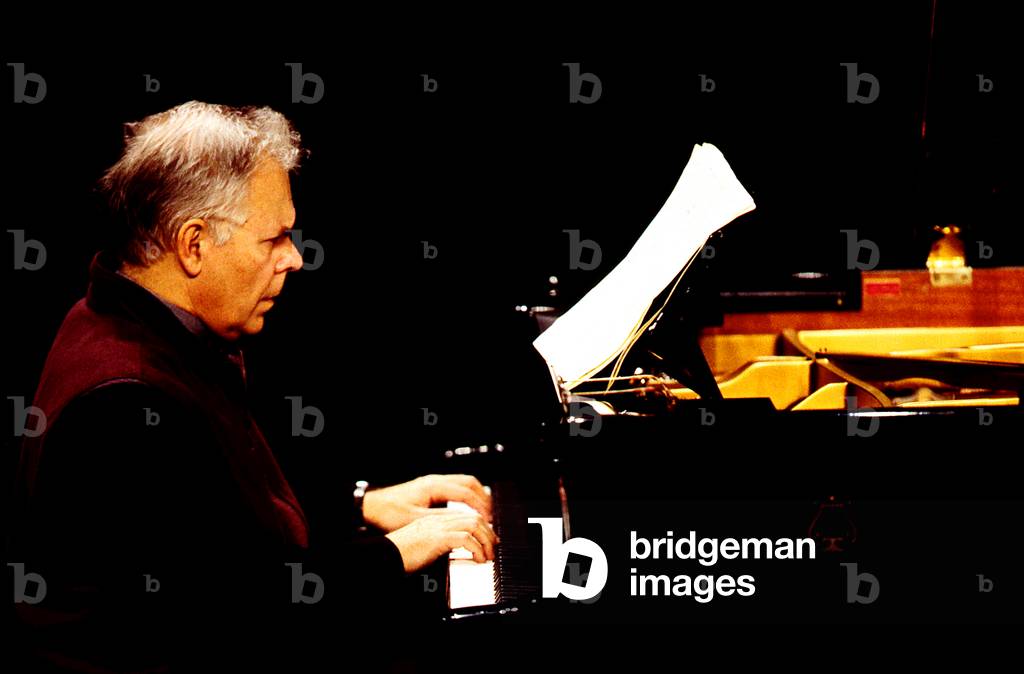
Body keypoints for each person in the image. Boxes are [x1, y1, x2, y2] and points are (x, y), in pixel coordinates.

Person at [8, 101, 496, 671]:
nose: (294, 259)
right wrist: (394, 554)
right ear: (194, 244)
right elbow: (244, 612)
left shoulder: (128, 319)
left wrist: (363, 505)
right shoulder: (126, 401)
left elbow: (224, 522)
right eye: (274, 238)